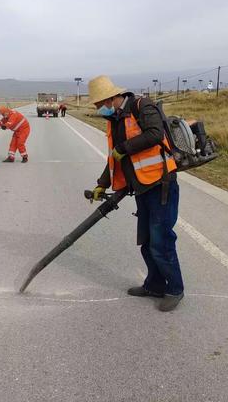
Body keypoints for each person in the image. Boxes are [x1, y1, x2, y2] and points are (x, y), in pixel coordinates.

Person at [88, 75, 184, 312]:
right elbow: (116, 158)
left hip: (161, 184)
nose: (100, 109)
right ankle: (154, 285)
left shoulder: (143, 106)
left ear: (112, 98)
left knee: (161, 241)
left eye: (101, 104)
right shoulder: (116, 120)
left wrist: (124, 148)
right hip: (142, 187)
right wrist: (102, 183)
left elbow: (154, 134)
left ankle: (175, 289)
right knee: (147, 241)